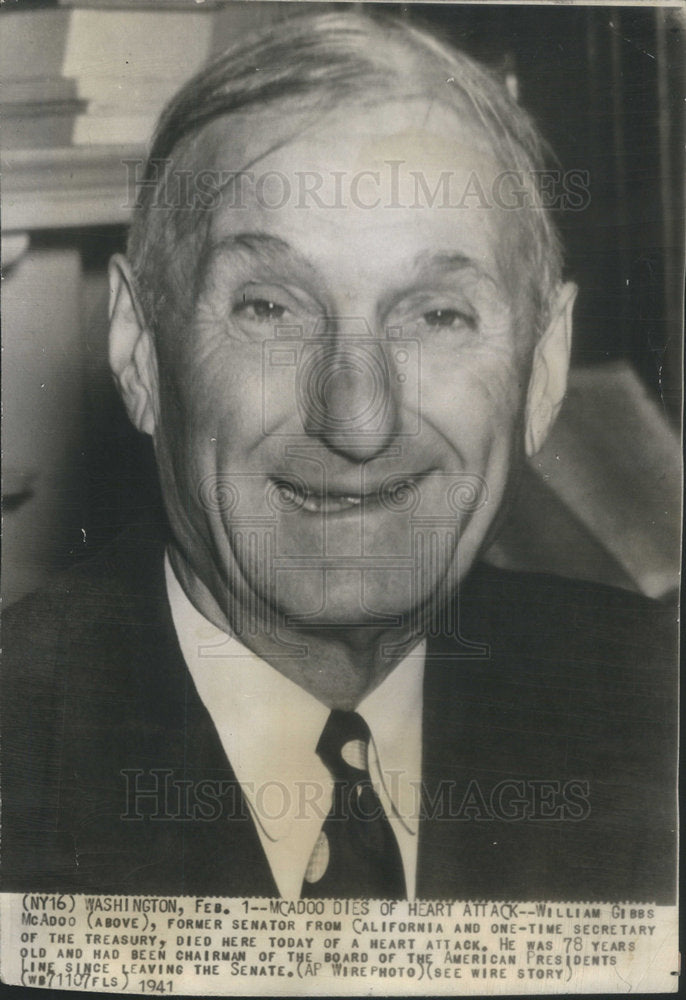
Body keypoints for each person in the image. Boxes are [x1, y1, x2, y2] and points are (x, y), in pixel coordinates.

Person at [1, 10, 676, 902]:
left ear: (545, 367)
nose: (357, 420)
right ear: (138, 349)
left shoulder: (653, 714)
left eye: (438, 314)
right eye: (270, 308)